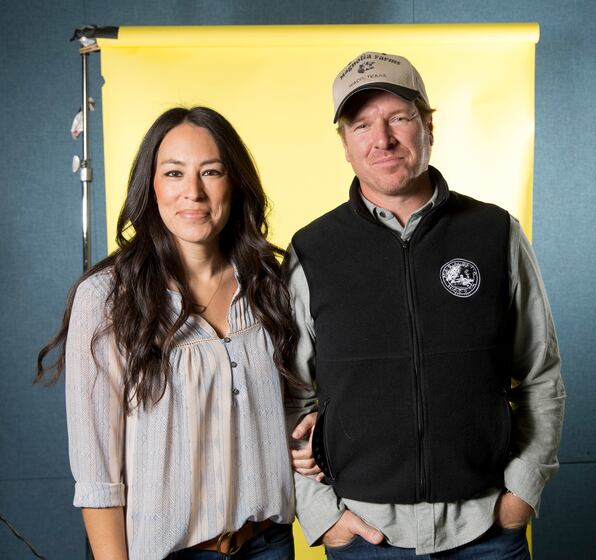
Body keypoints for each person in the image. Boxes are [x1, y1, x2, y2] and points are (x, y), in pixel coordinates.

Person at [285, 52, 566, 559]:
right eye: (362, 124)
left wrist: (521, 494)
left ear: (427, 125)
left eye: (398, 117)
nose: (383, 139)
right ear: (345, 144)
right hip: (366, 538)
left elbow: (540, 374)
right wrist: (325, 517)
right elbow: (289, 396)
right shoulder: (313, 251)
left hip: (485, 531)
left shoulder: (495, 233)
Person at [36, 107, 300, 560]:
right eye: (174, 173)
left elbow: (290, 410)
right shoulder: (106, 299)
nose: (192, 192)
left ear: (233, 183)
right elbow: (98, 471)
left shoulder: (269, 285)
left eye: (211, 172)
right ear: (151, 185)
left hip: (267, 544)